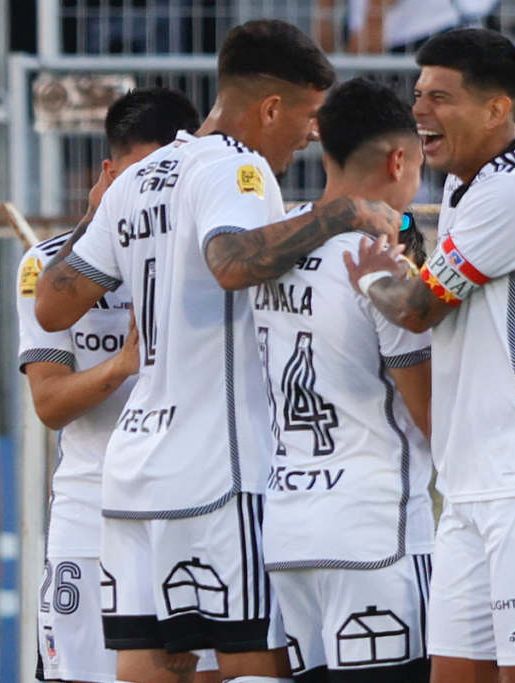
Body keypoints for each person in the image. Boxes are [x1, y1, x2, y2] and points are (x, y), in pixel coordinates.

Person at [33, 20, 398, 683]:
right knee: (251, 660)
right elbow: (231, 263)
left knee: (149, 665)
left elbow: (52, 302)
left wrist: (109, 223)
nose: (313, 134)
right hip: (220, 469)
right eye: (310, 116)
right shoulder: (239, 166)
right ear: (270, 107)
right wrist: (338, 213)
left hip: (135, 468)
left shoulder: (137, 179)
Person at [344, 28, 515, 683]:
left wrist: (370, 273)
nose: (420, 112)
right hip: (474, 487)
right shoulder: (468, 185)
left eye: (441, 97)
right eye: (418, 94)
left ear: (498, 108)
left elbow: (419, 307)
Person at [255, 77, 435, 683]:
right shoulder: (381, 264)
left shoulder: (275, 244)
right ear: (398, 159)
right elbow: (432, 415)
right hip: (375, 537)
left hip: (288, 533)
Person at [20, 87, 200, 683]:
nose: (146, 194)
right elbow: (48, 404)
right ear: (108, 173)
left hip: (189, 508)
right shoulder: (46, 268)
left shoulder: (211, 257)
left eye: (163, 178)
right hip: (89, 516)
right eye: (133, 176)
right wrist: (124, 364)